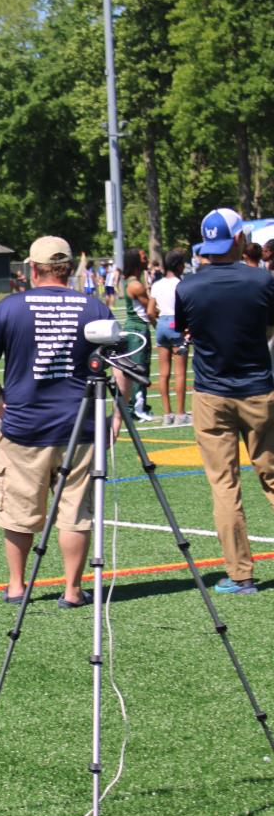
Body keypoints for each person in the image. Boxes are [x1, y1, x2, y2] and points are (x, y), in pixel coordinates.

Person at [0, 235, 120, 609]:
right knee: (75, 513)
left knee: (19, 511)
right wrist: (118, 414)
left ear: (33, 269)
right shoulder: (95, 307)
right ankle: (72, 590)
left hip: (24, 426)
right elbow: (120, 363)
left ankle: (17, 585)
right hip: (80, 426)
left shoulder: (10, 307)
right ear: (67, 269)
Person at [175, 208, 274, 595]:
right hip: (259, 389)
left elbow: (185, 331)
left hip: (212, 394)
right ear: (238, 240)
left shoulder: (188, 287)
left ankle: (240, 574)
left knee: (224, 485)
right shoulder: (261, 280)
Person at [148, 250, 190, 426]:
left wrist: (157, 325)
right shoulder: (181, 284)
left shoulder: (157, 284)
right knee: (180, 373)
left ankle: (167, 414)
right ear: (178, 265)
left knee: (163, 373)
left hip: (162, 324)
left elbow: (150, 311)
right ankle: (180, 413)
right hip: (176, 323)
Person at [123, 247, 153, 421]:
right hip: (137, 330)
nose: (146, 259)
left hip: (135, 329)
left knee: (136, 369)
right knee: (139, 369)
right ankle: (137, 409)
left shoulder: (131, 282)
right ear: (135, 261)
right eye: (143, 257)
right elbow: (150, 309)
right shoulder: (135, 285)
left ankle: (136, 406)